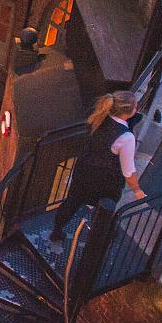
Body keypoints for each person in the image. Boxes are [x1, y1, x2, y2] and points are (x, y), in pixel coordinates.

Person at [51, 91, 146, 242]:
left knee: (72, 201)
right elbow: (128, 171)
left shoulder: (100, 118)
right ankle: (99, 240)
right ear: (130, 111)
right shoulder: (126, 137)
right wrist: (137, 190)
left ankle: (56, 230)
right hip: (105, 180)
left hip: (84, 171)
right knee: (103, 210)